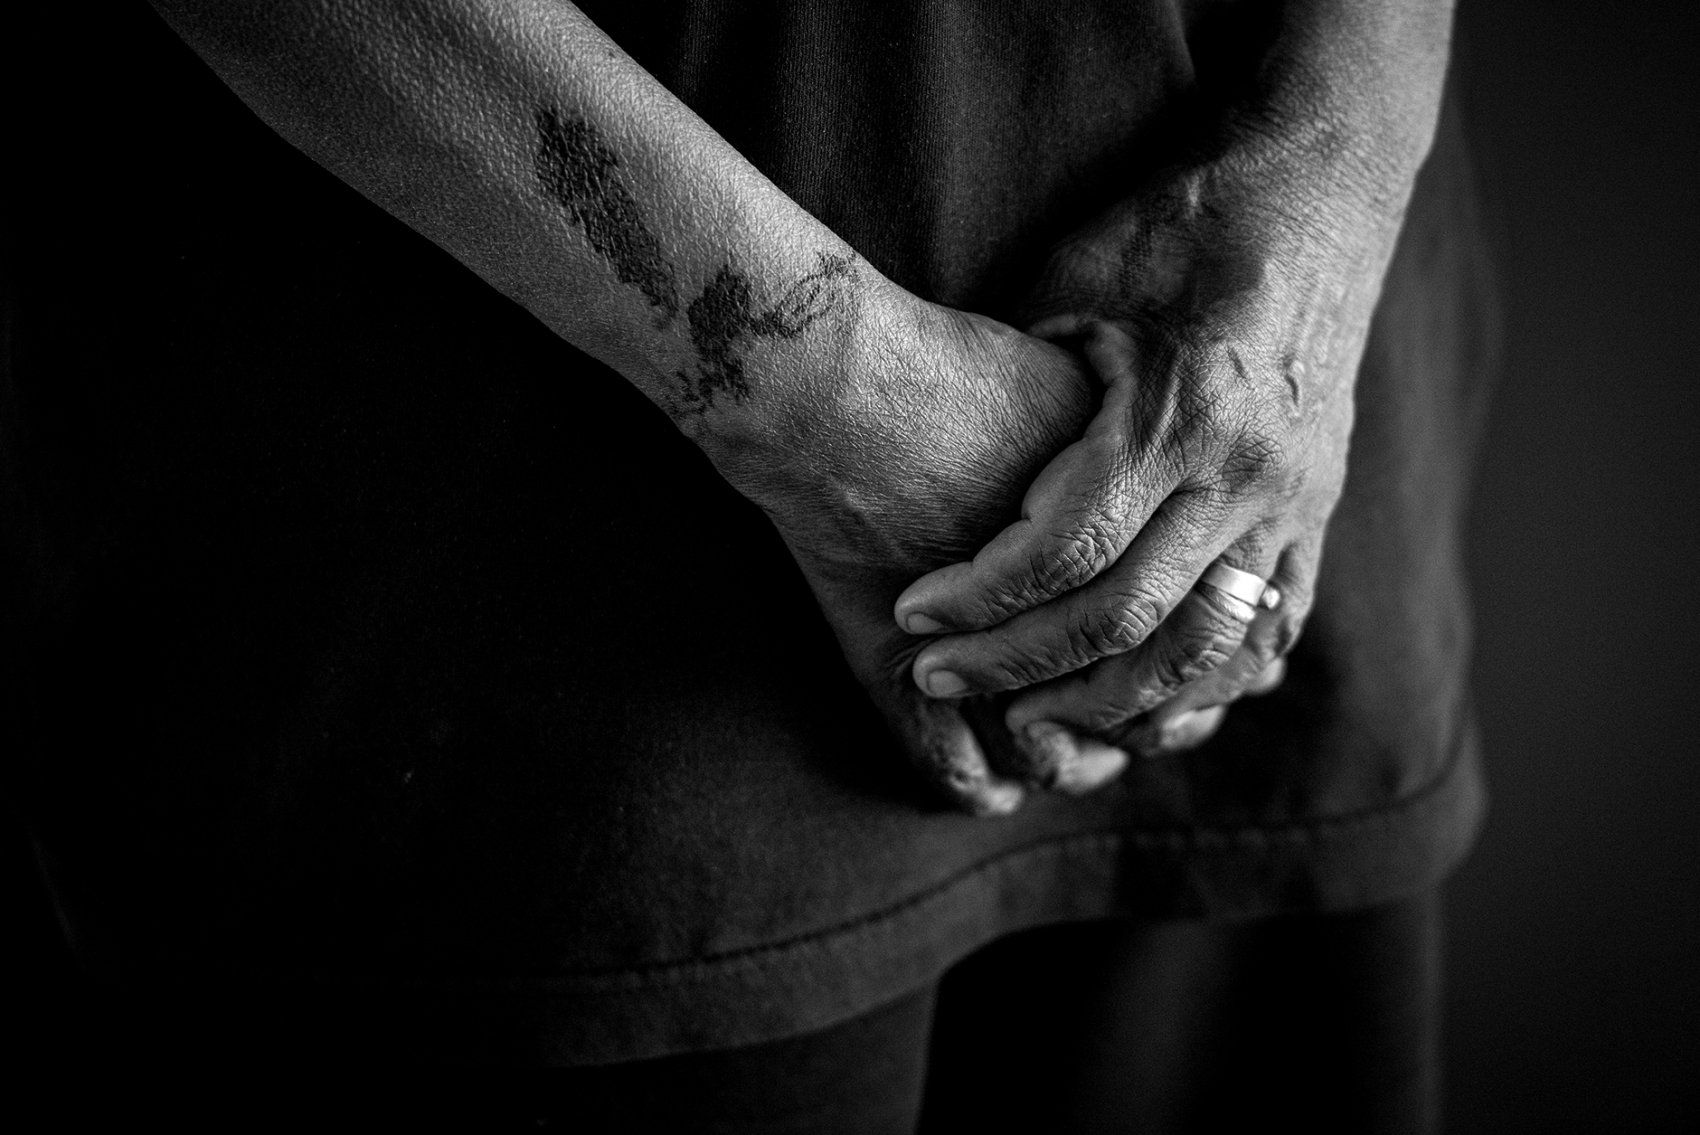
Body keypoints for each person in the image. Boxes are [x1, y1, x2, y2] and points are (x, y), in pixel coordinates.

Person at [0, 0, 1497, 1127]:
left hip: (1262, 436)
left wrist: (1328, 192)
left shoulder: (1290, 333)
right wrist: (831, 397)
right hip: (509, 562)